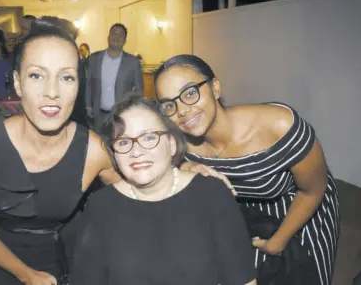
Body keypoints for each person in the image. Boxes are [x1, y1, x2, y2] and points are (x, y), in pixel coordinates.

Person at [0, 17, 118, 285]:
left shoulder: (93, 150)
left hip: (68, 265)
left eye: (66, 77)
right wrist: (27, 276)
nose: (51, 92)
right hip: (3, 267)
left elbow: (138, 193)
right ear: (18, 83)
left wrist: (181, 175)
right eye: (36, 75)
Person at [154, 55, 339, 285]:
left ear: (215, 87)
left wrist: (277, 243)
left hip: (301, 204)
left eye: (190, 92)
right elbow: (162, 175)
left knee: (305, 274)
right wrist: (188, 165)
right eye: (169, 104)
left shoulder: (279, 126)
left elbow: (312, 191)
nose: (182, 111)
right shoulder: (180, 141)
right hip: (249, 209)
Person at [70, 97, 257, 285]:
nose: (136, 152)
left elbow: (242, 280)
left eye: (149, 137)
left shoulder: (212, 194)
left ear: (172, 143)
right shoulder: (101, 206)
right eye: (124, 142)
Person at [85, 23, 144, 131]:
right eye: (113, 33)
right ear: (108, 37)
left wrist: (130, 107)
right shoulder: (94, 58)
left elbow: (139, 89)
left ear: (125, 40)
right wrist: (88, 105)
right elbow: (88, 84)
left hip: (121, 116)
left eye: (120, 34)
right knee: (99, 145)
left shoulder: (133, 62)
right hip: (98, 116)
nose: (116, 36)